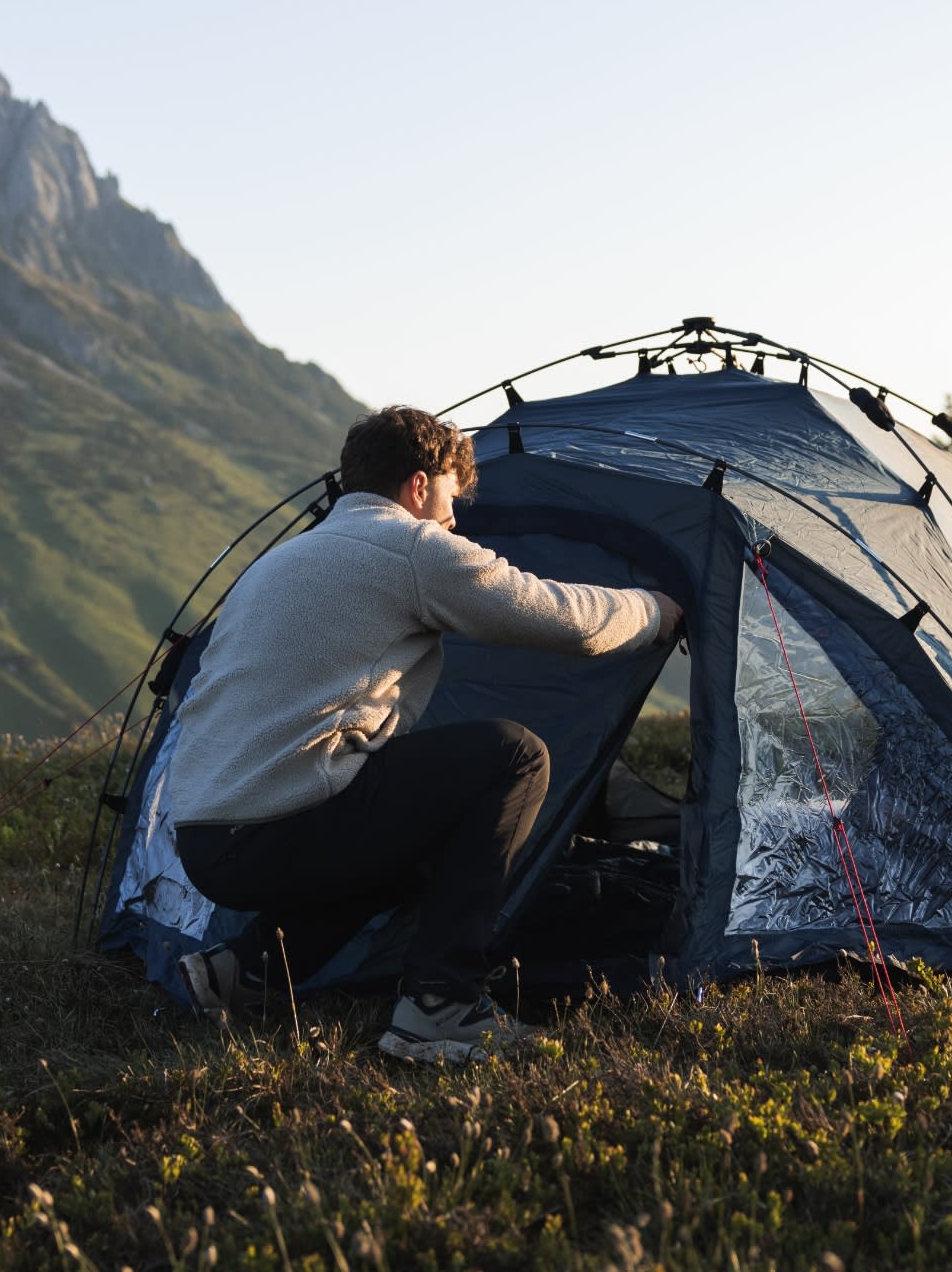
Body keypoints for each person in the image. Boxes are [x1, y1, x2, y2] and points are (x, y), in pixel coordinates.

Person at [169, 406, 682, 1063]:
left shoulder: (282, 559)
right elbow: (562, 618)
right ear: (419, 485)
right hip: (279, 826)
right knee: (513, 756)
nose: (454, 519)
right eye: (450, 496)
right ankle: (441, 1008)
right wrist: (654, 610)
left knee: (419, 833)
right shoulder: (410, 546)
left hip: (207, 841)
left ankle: (243, 973)